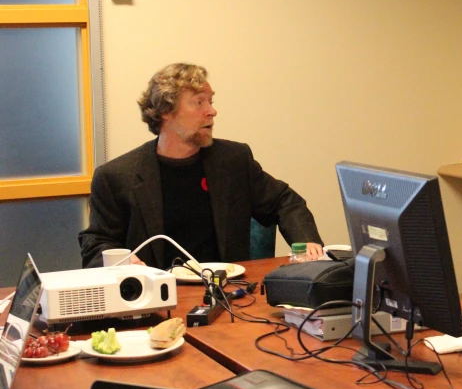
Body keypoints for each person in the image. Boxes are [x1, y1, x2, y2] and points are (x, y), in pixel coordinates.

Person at [79, 63, 324, 269]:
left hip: (228, 296)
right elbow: (95, 244)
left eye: (211, 101)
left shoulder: (233, 160)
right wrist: (123, 262)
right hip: (155, 301)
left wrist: (307, 244)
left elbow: (285, 202)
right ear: (166, 111)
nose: (212, 111)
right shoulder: (117, 177)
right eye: (199, 103)